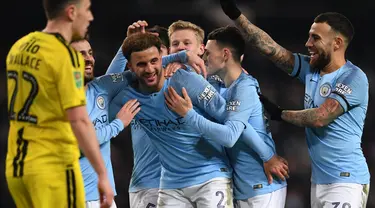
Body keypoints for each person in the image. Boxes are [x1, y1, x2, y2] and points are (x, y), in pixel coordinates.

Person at [220, 1, 370, 207]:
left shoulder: (353, 77)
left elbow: (321, 117)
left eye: (315, 38)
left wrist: (280, 113)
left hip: (346, 178)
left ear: (336, 43)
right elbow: (270, 48)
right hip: (320, 180)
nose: (308, 43)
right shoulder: (311, 70)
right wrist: (237, 16)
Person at [5, 0, 114, 207]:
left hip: (18, 168)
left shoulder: (19, 47)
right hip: (54, 167)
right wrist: (102, 174)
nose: (90, 17)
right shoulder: (65, 55)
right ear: (72, 12)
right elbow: (79, 120)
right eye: (88, 10)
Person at [166, 26, 288, 208]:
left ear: (225, 55)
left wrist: (188, 115)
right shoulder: (220, 84)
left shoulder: (244, 88)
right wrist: (177, 60)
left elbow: (230, 136)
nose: (203, 57)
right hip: (243, 187)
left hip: (262, 185)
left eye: (207, 53)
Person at [105, 20, 206, 207]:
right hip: (147, 185)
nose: (150, 67)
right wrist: (126, 45)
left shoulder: (189, 83)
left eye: (155, 55)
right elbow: (106, 88)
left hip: (190, 183)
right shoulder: (133, 91)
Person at [71, 38, 141, 208]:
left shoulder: (98, 88)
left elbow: (142, 70)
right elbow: (82, 143)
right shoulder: (62, 100)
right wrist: (118, 124)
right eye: (80, 54)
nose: (88, 58)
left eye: (90, 53)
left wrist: (128, 43)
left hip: (102, 194)